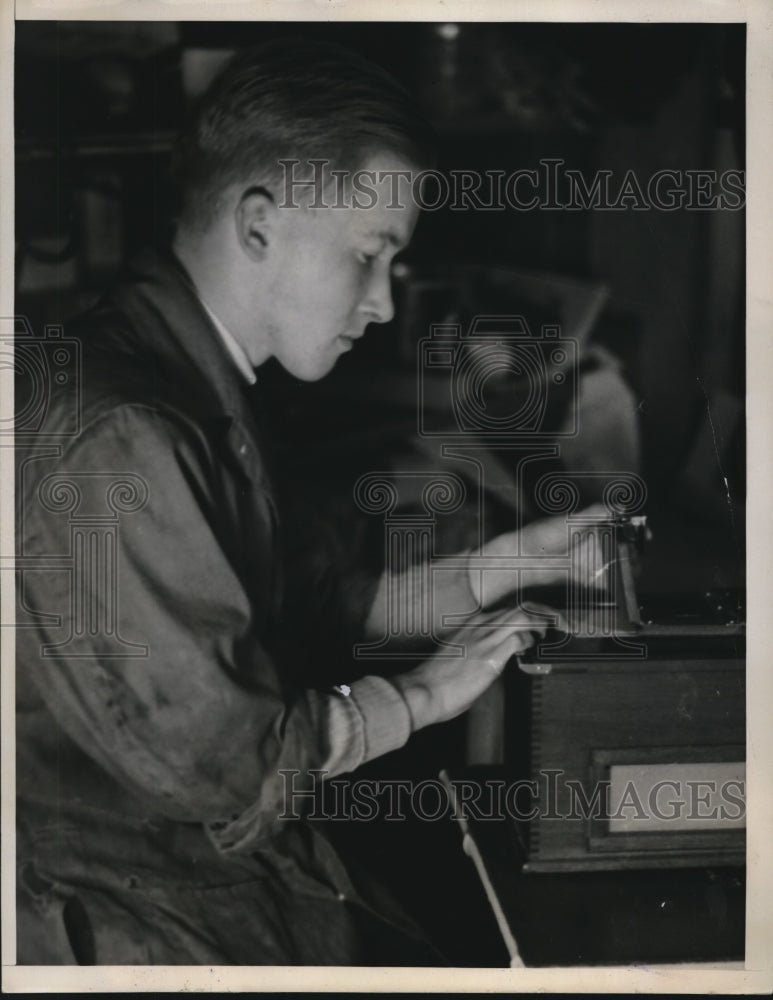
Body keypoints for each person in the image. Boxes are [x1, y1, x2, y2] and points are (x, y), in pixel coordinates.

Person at [15, 40, 585, 966]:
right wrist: (428, 694)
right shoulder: (123, 430)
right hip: (134, 924)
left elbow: (311, 603)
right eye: (371, 255)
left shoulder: (183, 378)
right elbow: (230, 764)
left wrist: (508, 565)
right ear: (257, 225)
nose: (384, 303)